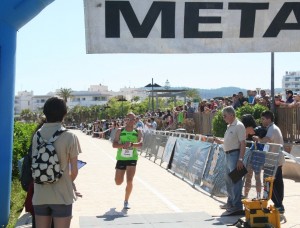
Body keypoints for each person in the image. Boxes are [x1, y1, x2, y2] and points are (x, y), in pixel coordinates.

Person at [31, 97, 82, 228]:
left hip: (40, 194)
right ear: (64, 113)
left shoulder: (37, 135)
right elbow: (74, 170)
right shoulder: (70, 136)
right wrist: (70, 184)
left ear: (45, 113)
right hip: (62, 195)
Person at [214, 106, 246, 213]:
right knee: (228, 180)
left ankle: (237, 205)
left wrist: (240, 159)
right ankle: (231, 202)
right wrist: (220, 142)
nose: (223, 118)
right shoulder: (230, 126)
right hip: (228, 155)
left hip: (234, 155)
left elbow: (243, 143)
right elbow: (230, 142)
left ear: (232, 115)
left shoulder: (239, 126)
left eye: (225, 116)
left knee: (235, 180)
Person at [252, 110, 285, 214]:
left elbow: (266, 139)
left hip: (273, 161)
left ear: (269, 119)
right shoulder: (274, 128)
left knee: (270, 184)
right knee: (277, 183)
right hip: (276, 160)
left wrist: (258, 138)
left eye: (263, 119)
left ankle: (278, 205)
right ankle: (279, 205)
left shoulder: (272, 128)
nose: (262, 121)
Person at [112, 112, 143, 209]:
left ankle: (126, 201)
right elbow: (114, 145)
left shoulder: (138, 131)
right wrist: (123, 145)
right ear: (126, 120)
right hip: (121, 159)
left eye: (133, 119)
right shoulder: (120, 131)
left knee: (129, 181)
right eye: (129, 119)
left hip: (132, 159)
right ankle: (119, 178)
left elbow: (141, 144)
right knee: (118, 182)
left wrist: (131, 145)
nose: (131, 121)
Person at [240, 114, 266, 199]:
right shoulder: (250, 132)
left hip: (258, 155)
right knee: (248, 176)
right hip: (252, 154)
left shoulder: (259, 130)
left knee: (257, 176)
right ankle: (246, 196)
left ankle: (258, 197)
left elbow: (263, 140)